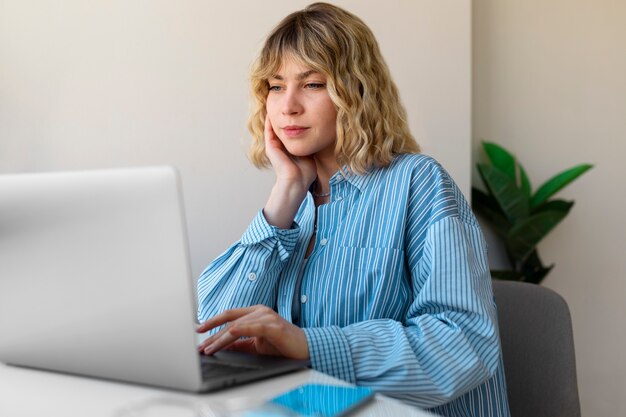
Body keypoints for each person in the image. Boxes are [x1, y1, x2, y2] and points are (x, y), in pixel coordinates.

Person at [196, 3, 510, 416]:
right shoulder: (296, 208)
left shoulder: (419, 184)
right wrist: (285, 194)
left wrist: (310, 346)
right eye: (275, 85)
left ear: (356, 90)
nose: (287, 105)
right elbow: (212, 331)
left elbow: (463, 342)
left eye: (312, 83)